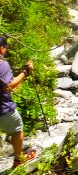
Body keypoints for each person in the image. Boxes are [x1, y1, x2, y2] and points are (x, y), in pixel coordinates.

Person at [0, 36, 35, 169]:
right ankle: (18, 160)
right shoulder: (2, 63)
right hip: (3, 107)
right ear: (2, 48)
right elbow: (8, 86)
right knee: (17, 129)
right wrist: (25, 72)